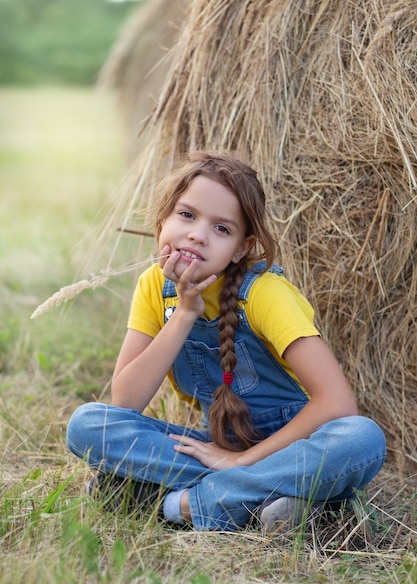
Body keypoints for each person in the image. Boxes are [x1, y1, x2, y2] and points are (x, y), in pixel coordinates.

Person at [66, 151, 386, 532]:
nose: (197, 234)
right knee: (88, 425)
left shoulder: (265, 293)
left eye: (221, 228)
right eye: (186, 215)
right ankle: (280, 500)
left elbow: (337, 403)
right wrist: (184, 313)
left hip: (294, 448)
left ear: (240, 247)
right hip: (214, 449)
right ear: (162, 221)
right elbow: (126, 400)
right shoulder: (154, 287)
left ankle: (175, 504)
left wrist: (241, 463)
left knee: (361, 439)